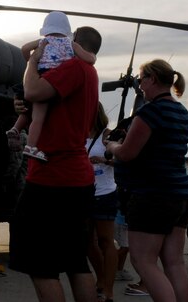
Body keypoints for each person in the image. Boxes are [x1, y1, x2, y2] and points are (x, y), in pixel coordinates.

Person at [10, 25, 102, 302]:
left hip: (52, 176)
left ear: (74, 43)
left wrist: (33, 61)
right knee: (75, 261)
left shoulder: (72, 68)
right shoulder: (90, 72)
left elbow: (34, 90)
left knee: (40, 265)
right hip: (77, 179)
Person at [105, 59, 188, 302]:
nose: (140, 85)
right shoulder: (181, 112)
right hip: (181, 194)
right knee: (174, 262)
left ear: (153, 79)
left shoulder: (150, 112)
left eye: (142, 79)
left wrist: (112, 145)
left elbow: (127, 153)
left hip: (153, 196)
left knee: (144, 262)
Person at [8, 12, 96, 162]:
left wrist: (32, 62)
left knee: (35, 116)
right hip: (53, 76)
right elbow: (90, 59)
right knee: (38, 116)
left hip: (41, 74)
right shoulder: (71, 45)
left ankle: (20, 134)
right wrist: (92, 56)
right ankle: (29, 145)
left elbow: (24, 48)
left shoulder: (44, 41)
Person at [85, 104, 118, 302]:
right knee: (88, 242)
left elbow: (122, 159)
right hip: (85, 193)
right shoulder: (78, 134)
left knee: (106, 240)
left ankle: (109, 289)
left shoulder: (108, 135)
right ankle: (102, 279)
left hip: (105, 192)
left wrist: (103, 161)